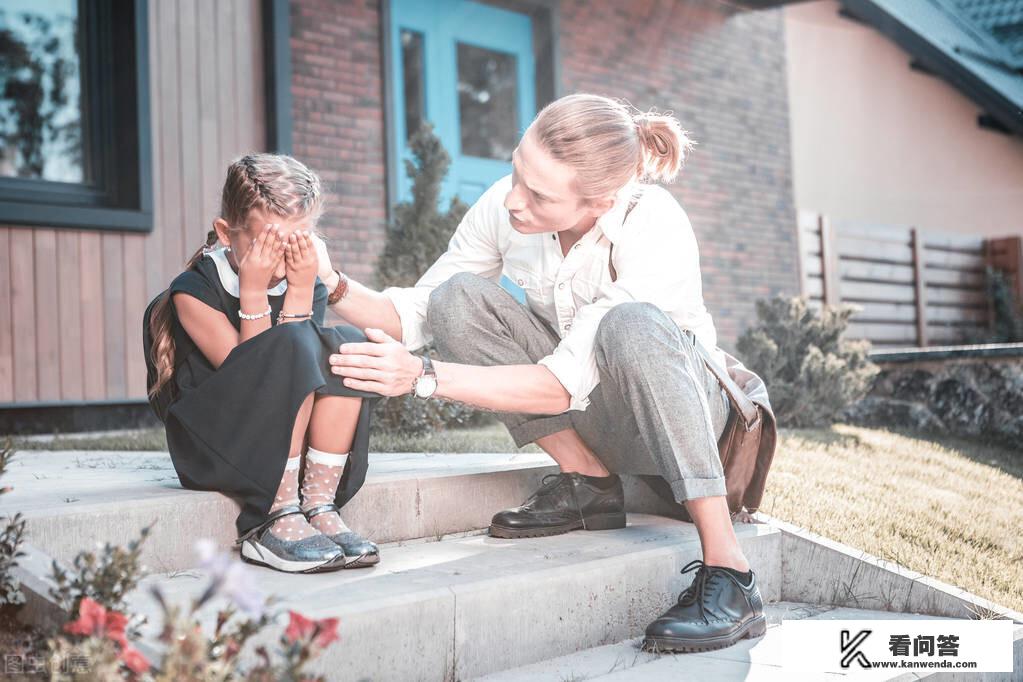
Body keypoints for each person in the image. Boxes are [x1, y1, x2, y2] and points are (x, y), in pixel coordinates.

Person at [317, 93, 767, 652]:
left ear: (600, 202)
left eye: (538, 194)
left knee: (629, 325)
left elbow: (559, 383)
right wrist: (330, 281)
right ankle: (589, 485)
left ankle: (731, 574)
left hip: (688, 426)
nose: (513, 200)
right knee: (457, 299)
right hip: (595, 415)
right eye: (515, 171)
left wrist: (420, 377)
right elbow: (417, 310)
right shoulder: (507, 207)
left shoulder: (654, 225)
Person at [143, 153, 383, 574]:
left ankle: (317, 503)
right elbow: (253, 375)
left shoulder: (303, 278)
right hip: (216, 442)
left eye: (295, 243)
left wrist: (301, 291)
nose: (282, 260)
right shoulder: (194, 290)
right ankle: (272, 516)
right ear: (225, 233)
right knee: (294, 343)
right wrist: (253, 293)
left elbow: (305, 367)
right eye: (269, 244)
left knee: (347, 343)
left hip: (273, 438)